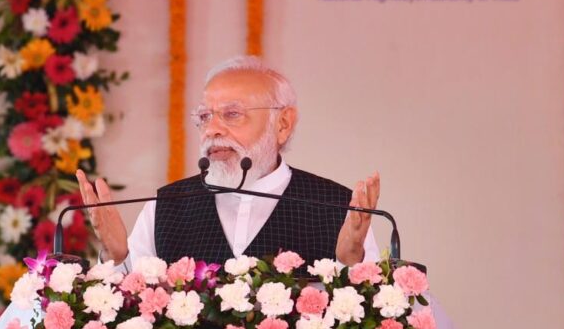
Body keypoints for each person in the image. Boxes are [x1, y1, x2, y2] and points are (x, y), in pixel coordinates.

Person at [78, 55, 381, 271]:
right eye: (205, 117)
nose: (212, 130)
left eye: (232, 114)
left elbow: (370, 313)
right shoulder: (166, 206)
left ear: (283, 124)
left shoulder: (338, 208)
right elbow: (127, 308)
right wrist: (116, 258)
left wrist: (350, 262)